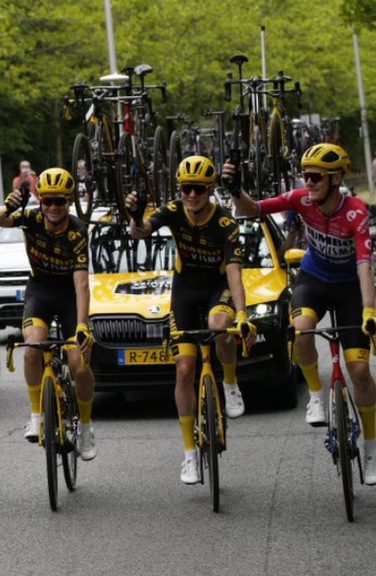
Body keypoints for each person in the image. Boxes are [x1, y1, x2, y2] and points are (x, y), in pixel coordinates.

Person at [226, 143, 376, 485]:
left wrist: (370, 311)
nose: (308, 183)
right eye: (305, 176)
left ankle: (371, 447)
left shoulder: (356, 212)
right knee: (302, 330)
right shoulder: (299, 199)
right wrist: (235, 189)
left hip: (348, 289)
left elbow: (363, 267)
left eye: (315, 177)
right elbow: (251, 209)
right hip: (312, 279)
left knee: (358, 369)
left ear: (336, 179)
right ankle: (315, 395)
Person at [126, 156, 255, 485]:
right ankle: (189, 456)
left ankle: (229, 383)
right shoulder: (172, 210)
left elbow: (235, 275)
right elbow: (140, 233)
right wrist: (134, 215)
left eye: (198, 189)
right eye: (186, 188)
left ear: (210, 190)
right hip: (184, 290)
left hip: (216, 288)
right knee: (184, 368)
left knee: (219, 327)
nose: (191, 195)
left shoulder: (225, 223)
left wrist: (241, 315)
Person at [0, 168, 97, 460]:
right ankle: (36, 416)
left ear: (69, 202)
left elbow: (82, 284)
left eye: (59, 201)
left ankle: (85, 425)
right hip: (41, 292)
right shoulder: (32, 218)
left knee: (79, 364)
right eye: (47, 201)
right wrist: (9, 206)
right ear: (40, 201)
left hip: (70, 296)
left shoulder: (77, 231)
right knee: (33, 348)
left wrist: (82, 325)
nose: (53, 207)